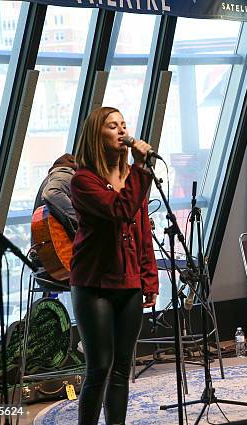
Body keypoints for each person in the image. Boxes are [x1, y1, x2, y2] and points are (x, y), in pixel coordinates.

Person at [70, 106, 159, 425]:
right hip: (94, 287)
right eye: (112, 126)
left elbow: (142, 233)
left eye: (124, 124)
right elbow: (119, 211)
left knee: (123, 368)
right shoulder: (83, 181)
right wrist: (140, 167)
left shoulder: (133, 179)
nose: (122, 131)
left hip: (130, 285)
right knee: (100, 367)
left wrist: (150, 280)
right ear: (97, 135)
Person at [33, 153, 79, 240]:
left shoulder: (59, 174)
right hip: (61, 250)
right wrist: (85, 222)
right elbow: (52, 193)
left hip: (50, 249)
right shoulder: (66, 174)